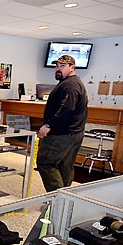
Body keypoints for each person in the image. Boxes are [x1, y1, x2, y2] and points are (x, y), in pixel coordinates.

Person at [36, 54, 88, 192]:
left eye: (62, 66)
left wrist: (48, 125)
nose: (58, 69)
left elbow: (66, 108)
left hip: (62, 134)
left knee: (45, 163)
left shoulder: (70, 85)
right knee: (64, 165)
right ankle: (64, 198)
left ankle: (57, 200)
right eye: (57, 66)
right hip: (73, 133)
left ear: (72, 67)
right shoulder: (73, 83)